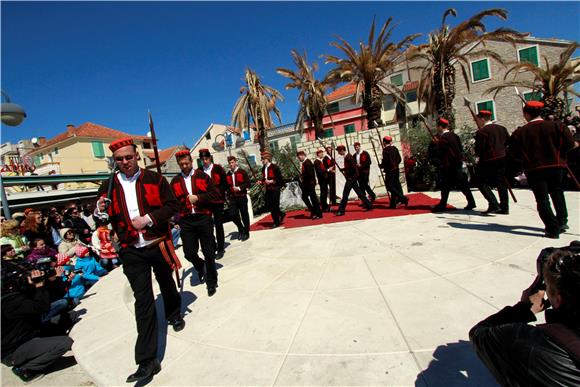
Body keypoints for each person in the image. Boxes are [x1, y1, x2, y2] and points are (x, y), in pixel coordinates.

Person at [95, 138, 184, 383]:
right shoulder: (108, 185)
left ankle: (174, 312)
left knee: (166, 282)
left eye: (128, 157)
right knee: (142, 301)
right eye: (119, 159)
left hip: (157, 242)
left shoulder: (155, 179)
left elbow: (172, 206)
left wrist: (149, 219)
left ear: (136, 156)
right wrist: (98, 211)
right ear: (115, 162)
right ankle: (147, 360)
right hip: (131, 249)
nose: (125, 162)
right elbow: (100, 217)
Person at [469, 246, 580, 386]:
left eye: (549, 288)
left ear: (558, 299)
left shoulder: (529, 345)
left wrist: (523, 309)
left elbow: (479, 334)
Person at [509, 101, 575, 238]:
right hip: (556, 166)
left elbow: (514, 153)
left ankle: (552, 228)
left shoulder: (521, 132)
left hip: (534, 169)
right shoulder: (557, 126)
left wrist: (525, 160)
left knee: (542, 199)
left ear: (526, 114)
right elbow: (569, 144)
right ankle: (562, 221)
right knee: (557, 193)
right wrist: (559, 155)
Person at [1, 264, 74, 383]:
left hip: (31, 333)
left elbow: (52, 296)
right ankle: (25, 369)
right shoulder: (8, 301)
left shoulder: (19, 292)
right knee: (64, 343)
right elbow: (42, 307)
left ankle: (43, 344)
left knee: (72, 316)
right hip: (14, 349)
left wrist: (57, 279)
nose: (29, 278)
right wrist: (39, 286)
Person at [170, 149, 219, 296]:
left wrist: (199, 198)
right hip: (186, 220)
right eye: (181, 164)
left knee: (208, 251)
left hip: (203, 217)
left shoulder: (202, 176)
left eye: (186, 163)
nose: (184, 166)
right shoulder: (175, 181)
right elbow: (172, 203)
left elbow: (215, 194)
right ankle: (199, 265)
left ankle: (211, 281)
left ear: (191, 161)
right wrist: (175, 219)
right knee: (189, 253)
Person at [430, 118, 477, 212]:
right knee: (459, 185)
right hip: (457, 163)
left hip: (449, 166)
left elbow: (441, 153)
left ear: (440, 126)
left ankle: (443, 205)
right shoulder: (454, 135)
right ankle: (470, 202)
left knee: (446, 186)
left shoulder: (443, 138)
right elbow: (460, 149)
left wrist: (436, 145)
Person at [474, 110, 510, 214]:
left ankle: (493, 203)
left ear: (482, 119)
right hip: (502, 158)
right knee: (501, 182)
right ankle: (504, 207)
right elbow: (508, 142)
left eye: (478, 120)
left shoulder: (482, 131)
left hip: (488, 159)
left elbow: (479, 149)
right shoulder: (502, 128)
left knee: (480, 181)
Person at [198, 148, 229, 259]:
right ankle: (213, 245)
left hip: (217, 201)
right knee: (208, 226)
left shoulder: (218, 168)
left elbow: (225, 183)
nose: (204, 161)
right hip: (206, 202)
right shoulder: (199, 171)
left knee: (219, 224)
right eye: (202, 159)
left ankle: (221, 248)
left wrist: (219, 192)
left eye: (206, 158)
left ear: (210, 157)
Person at [335, 145, 373, 216]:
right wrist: (343, 169)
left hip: (351, 179)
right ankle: (369, 205)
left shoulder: (348, 157)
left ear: (342, 150)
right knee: (360, 193)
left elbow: (353, 168)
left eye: (339, 151)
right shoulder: (347, 156)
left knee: (345, 195)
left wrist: (347, 173)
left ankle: (341, 210)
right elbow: (350, 167)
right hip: (351, 178)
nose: (338, 153)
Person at [225, 156, 251, 241]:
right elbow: (227, 186)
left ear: (236, 162)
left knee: (244, 215)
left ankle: (246, 232)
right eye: (229, 163)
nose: (231, 164)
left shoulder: (242, 172)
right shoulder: (227, 174)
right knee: (232, 215)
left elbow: (248, 183)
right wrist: (227, 194)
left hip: (242, 197)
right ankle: (241, 227)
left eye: (232, 162)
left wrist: (239, 188)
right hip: (233, 198)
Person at [380, 136, 408, 208]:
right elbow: (399, 159)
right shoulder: (395, 148)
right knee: (395, 186)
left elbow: (386, 162)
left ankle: (403, 198)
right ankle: (393, 204)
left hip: (390, 171)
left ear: (384, 142)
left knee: (389, 186)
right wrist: (395, 165)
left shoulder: (385, 150)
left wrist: (381, 166)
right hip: (396, 170)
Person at [259, 151, 286, 228]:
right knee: (269, 205)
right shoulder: (263, 168)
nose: (262, 161)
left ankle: (276, 222)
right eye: (262, 159)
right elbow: (264, 179)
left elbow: (280, 179)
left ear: (267, 159)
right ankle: (281, 214)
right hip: (268, 189)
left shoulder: (275, 167)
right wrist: (261, 182)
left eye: (263, 159)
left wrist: (272, 181)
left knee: (275, 205)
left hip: (275, 188)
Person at [297, 150, 323, 219]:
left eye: (299, 157)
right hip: (307, 184)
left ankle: (318, 213)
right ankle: (313, 211)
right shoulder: (304, 163)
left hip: (310, 183)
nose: (299, 159)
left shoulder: (307, 163)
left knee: (313, 198)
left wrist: (302, 176)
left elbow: (310, 174)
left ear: (303, 156)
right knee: (304, 197)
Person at [314, 147, 330, 212]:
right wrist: (328, 170)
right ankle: (323, 206)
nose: (322, 154)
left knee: (325, 192)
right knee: (323, 193)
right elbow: (319, 171)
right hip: (321, 179)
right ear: (318, 154)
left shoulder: (321, 161)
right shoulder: (316, 162)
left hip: (324, 179)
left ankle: (325, 205)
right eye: (321, 153)